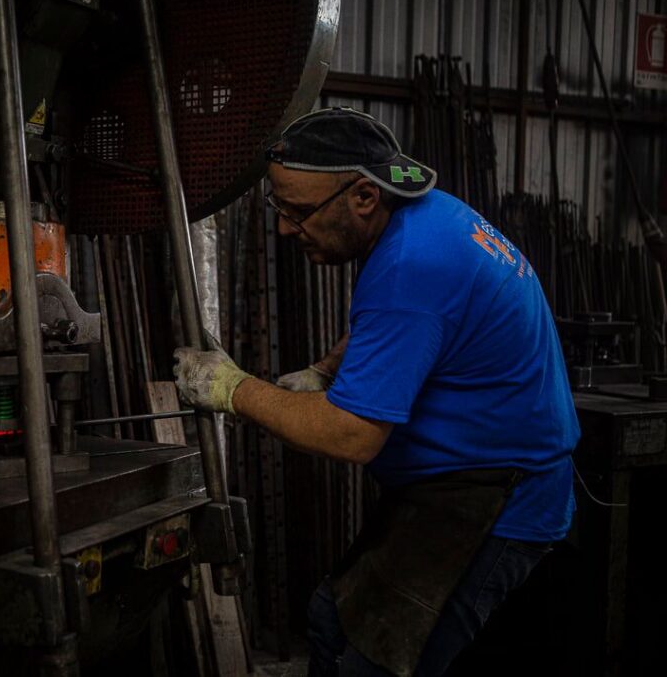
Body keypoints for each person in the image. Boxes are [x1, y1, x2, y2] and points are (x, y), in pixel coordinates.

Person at [173, 107, 579, 677]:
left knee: (373, 666)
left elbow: (352, 434)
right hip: (455, 481)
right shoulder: (426, 221)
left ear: (364, 195)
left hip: (498, 498)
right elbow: (416, 325)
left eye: (297, 211)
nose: (286, 228)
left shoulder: (411, 267)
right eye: (278, 206)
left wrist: (234, 390)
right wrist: (325, 369)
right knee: (329, 618)